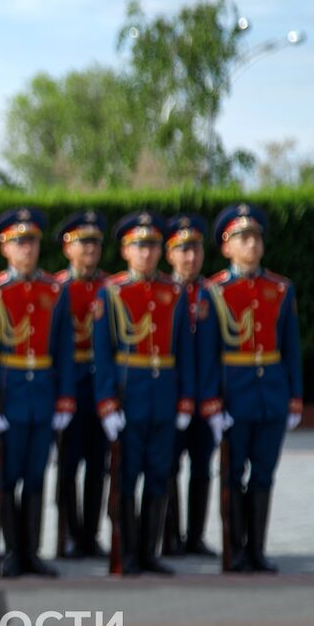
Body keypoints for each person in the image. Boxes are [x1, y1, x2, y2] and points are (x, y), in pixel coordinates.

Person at [197, 204, 302, 573]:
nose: (252, 244)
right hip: (234, 395)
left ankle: (257, 548)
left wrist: (294, 396)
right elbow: (207, 355)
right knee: (232, 473)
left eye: (255, 237)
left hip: (270, 393)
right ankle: (235, 547)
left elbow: (290, 347)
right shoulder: (214, 292)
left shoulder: (280, 288)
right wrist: (211, 402)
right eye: (242, 238)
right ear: (226, 247)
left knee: (263, 474)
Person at [0, 208, 75, 578]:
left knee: (35, 476)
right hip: (9, 396)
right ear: (5, 247)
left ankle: (31, 550)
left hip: (43, 395)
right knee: (6, 476)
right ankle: (12, 550)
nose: (26, 249)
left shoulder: (53, 291)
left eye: (30, 241)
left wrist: (65, 398)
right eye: (18, 242)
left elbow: (64, 350)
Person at [92, 211, 195, 576]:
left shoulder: (173, 292)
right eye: (140, 245)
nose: (147, 253)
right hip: (129, 398)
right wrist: (106, 403)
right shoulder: (113, 293)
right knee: (125, 477)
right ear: (125, 250)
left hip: (164, 397)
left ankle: (149, 551)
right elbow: (102, 354)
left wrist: (185, 399)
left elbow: (184, 351)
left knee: (158, 474)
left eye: (152, 245)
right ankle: (127, 553)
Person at [53, 210, 109, 559]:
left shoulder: (110, 289)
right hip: (68, 386)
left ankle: (91, 534)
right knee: (68, 465)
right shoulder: (58, 288)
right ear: (67, 247)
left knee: (97, 465)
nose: (90, 249)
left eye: (95, 242)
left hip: (100, 388)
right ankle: (70, 534)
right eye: (82, 242)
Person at [165, 213, 217, 557]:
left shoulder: (213, 294)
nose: (191, 257)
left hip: (206, 398)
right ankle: (169, 536)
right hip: (169, 398)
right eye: (183, 250)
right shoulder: (163, 292)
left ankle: (195, 535)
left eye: (196, 249)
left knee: (202, 467)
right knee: (167, 467)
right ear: (169, 254)